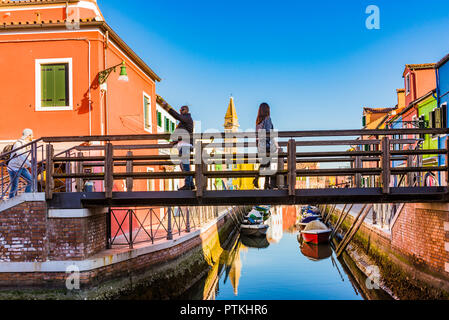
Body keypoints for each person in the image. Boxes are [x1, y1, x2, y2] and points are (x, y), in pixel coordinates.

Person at [160, 103, 195, 190]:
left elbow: (177, 116)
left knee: (185, 165)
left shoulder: (187, 118)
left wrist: (168, 109)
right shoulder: (184, 121)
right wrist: (175, 142)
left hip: (185, 145)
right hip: (183, 144)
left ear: (186, 110)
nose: (180, 111)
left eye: (182, 109)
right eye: (180, 110)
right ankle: (190, 184)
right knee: (184, 165)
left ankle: (188, 185)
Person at [253, 103, 277, 190]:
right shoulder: (267, 119)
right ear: (267, 110)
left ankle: (264, 183)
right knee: (267, 163)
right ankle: (260, 180)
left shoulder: (258, 121)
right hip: (266, 144)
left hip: (260, 145)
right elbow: (269, 132)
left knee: (266, 163)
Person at [7, 129, 34, 199]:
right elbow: (20, 155)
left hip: (21, 167)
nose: (33, 136)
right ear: (28, 135)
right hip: (14, 167)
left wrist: (29, 162)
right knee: (14, 185)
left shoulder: (26, 144)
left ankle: (27, 196)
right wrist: (29, 165)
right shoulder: (18, 144)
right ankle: (11, 199)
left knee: (31, 180)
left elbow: (25, 156)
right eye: (32, 135)